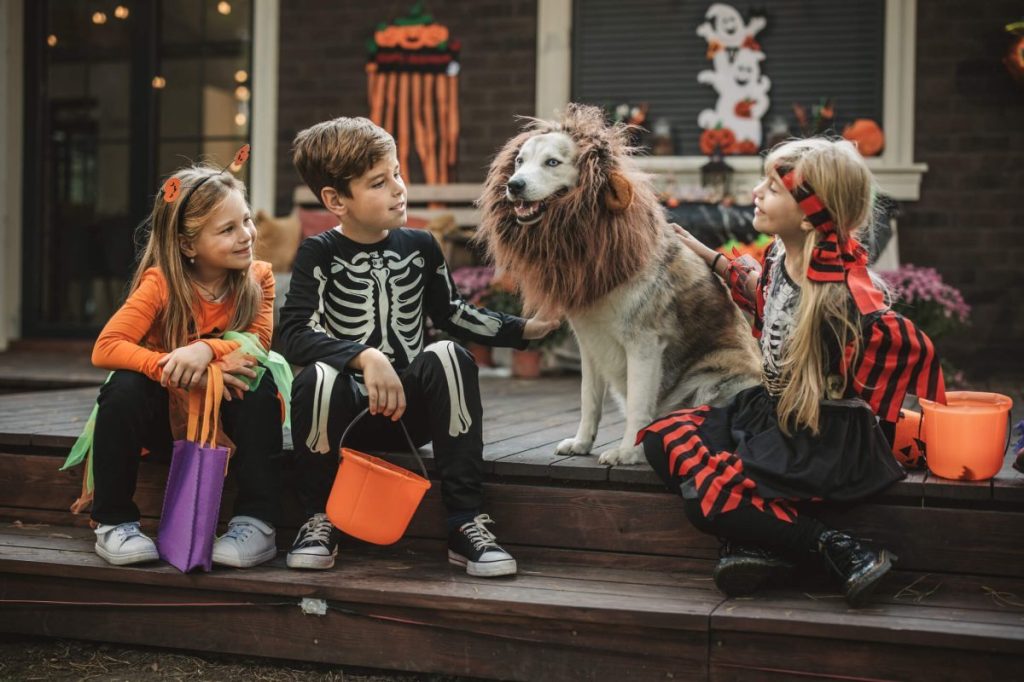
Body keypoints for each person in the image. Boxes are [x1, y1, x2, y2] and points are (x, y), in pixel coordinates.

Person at [638, 137, 946, 607]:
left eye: (773, 188)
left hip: (819, 435)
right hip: (772, 412)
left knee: (706, 495)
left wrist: (906, 432)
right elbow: (756, 289)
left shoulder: (844, 299)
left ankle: (838, 548)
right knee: (661, 440)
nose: (757, 192)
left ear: (807, 216)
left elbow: (901, 350)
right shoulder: (782, 262)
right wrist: (704, 252)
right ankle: (758, 544)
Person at [281, 117, 558, 576]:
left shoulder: (422, 246)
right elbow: (293, 332)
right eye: (378, 182)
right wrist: (362, 355)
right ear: (335, 200)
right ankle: (318, 516)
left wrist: (525, 329)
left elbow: (453, 313)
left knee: (448, 353)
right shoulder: (319, 253)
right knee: (318, 375)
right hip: (347, 418)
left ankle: (465, 521)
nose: (398, 189)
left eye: (397, 174)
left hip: (412, 415)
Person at [86, 158, 284, 569]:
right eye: (228, 229)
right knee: (124, 386)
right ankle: (113, 522)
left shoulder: (258, 278)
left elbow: (259, 344)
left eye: (246, 221)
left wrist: (206, 352)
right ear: (188, 244)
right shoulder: (161, 284)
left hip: (224, 421)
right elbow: (106, 346)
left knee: (258, 382)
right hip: (163, 421)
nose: (246, 235)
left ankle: (257, 520)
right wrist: (169, 365)